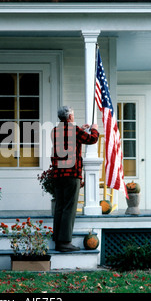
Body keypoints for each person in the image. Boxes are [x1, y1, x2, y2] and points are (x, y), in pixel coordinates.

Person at [51, 106, 99, 252]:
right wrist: (94, 128)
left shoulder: (55, 131)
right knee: (69, 208)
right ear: (70, 117)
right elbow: (92, 139)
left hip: (58, 174)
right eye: (73, 115)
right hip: (72, 174)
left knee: (59, 206)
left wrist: (81, 130)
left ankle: (57, 238)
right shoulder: (75, 130)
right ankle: (65, 242)